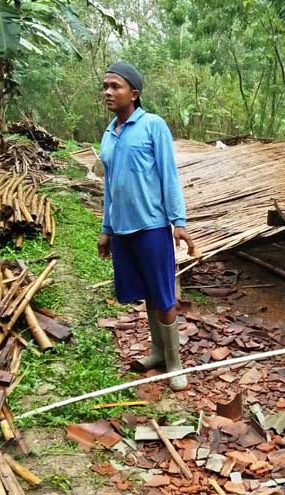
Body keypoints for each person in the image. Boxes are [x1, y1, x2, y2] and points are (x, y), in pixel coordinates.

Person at [97, 61, 195, 391]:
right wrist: (106, 228)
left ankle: (175, 365)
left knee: (164, 296)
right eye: (105, 86)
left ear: (134, 94)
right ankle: (158, 352)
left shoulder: (153, 126)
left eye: (115, 86)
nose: (108, 92)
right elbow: (109, 185)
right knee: (146, 295)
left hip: (151, 227)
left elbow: (169, 174)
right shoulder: (109, 134)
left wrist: (178, 221)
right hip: (122, 231)